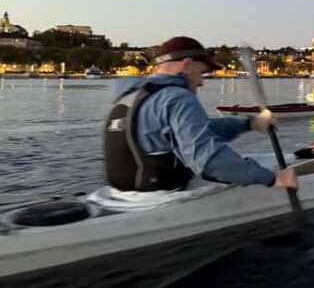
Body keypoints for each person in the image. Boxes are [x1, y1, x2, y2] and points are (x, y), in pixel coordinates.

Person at [104, 36, 298, 192]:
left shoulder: (130, 95)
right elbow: (209, 162)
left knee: (246, 164)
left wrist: (249, 124)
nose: (201, 82)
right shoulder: (177, 98)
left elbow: (203, 129)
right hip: (162, 194)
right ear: (186, 65)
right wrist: (274, 179)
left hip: (124, 193)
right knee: (285, 162)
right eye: (202, 73)